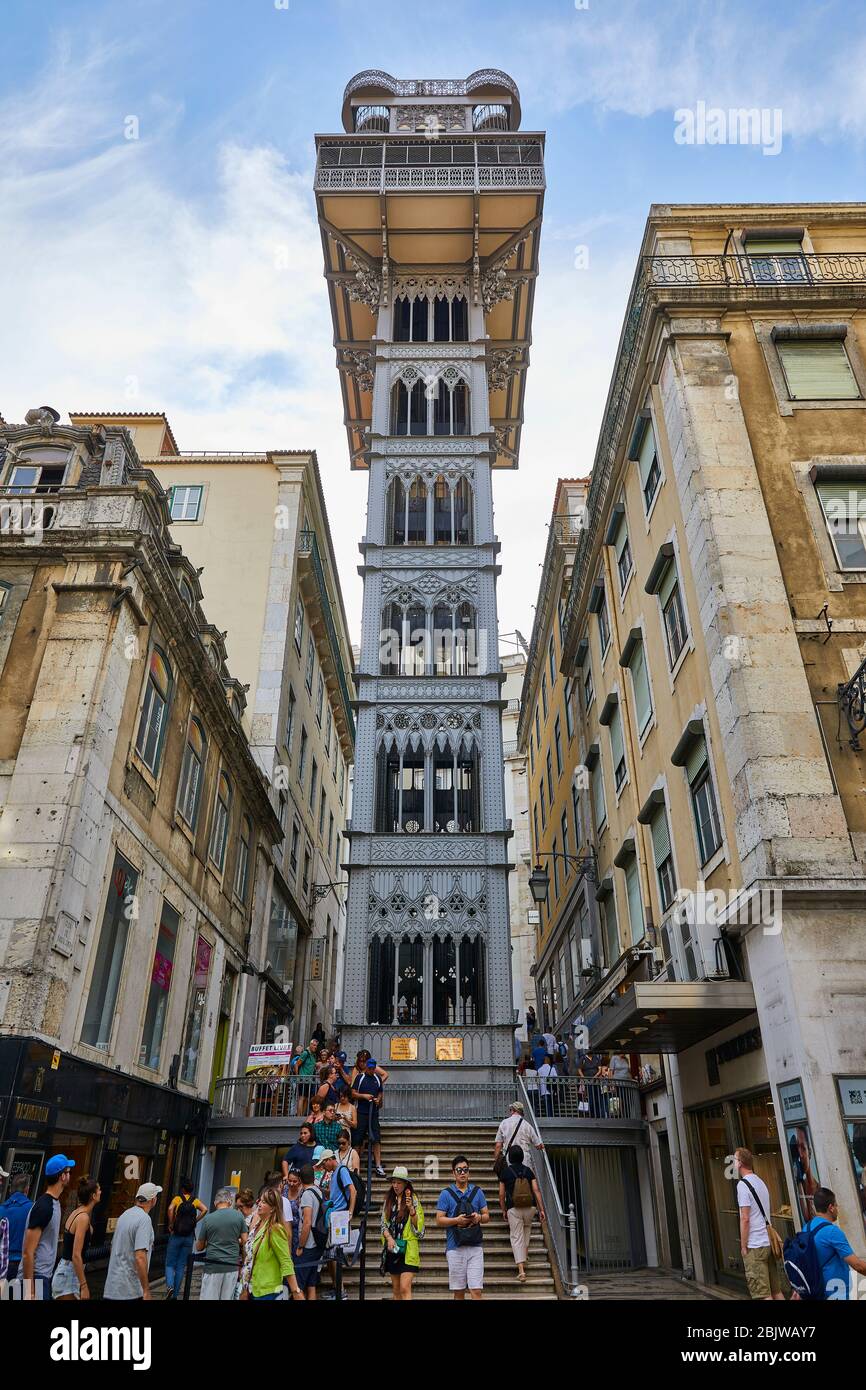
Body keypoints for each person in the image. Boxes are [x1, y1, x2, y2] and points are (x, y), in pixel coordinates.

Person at [796, 1186, 866, 1300]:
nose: (838, 1208)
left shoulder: (806, 1229)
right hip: (837, 1293)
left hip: (817, 1292)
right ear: (831, 1208)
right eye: (836, 1205)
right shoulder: (832, 1231)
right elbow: (858, 1265)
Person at [21, 1153, 74, 1301]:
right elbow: (27, 1252)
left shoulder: (54, 1203)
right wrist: (30, 1291)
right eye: (68, 1172)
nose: (70, 1176)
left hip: (43, 1277)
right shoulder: (44, 1207)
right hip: (36, 1278)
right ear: (62, 1176)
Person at [436, 1156, 489, 1301]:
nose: (462, 1173)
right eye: (459, 1170)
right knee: (459, 1293)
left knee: (476, 1290)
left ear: (469, 1172)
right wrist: (456, 1220)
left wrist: (478, 1217)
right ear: (453, 1173)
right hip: (455, 1248)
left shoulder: (478, 1192)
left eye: (465, 1170)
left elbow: (487, 1216)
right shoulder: (445, 1194)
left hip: (475, 1247)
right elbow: (439, 1219)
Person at [735, 1148, 783, 1301]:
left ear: (740, 1163)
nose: (734, 1162)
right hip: (767, 1242)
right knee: (776, 1291)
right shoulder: (760, 1181)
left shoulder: (742, 1185)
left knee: (762, 1294)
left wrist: (743, 1245)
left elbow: (745, 1218)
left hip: (755, 1245)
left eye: (735, 1159)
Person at [103, 1182, 161, 1301]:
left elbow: (113, 1247)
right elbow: (140, 1257)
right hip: (130, 1289)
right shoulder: (144, 1219)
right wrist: (146, 1290)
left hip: (112, 1286)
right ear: (153, 1200)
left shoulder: (125, 1215)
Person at [499, 1145, 545, 1284]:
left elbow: (501, 1194)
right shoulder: (528, 1171)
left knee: (516, 1237)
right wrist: (541, 1209)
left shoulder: (505, 1172)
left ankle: (521, 1270)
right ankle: (524, 1255)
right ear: (522, 1157)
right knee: (527, 1229)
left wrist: (503, 1210)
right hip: (530, 1207)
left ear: (510, 1157)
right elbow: (536, 1190)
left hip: (514, 1208)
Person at [247, 1188, 303, 1301]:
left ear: (272, 1208)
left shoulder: (275, 1229)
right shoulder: (258, 1225)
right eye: (260, 1201)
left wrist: (296, 1291)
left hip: (269, 1291)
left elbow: (286, 1261)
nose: (259, 1204)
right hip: (255, 1289)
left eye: (264, 1202)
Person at [51, 1176, 100, 1300]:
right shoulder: (83, 1217)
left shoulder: (78, 1212)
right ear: (93, 1196)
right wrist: (84, 1286)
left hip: (68, 1271)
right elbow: (76, 1255)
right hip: (69, 1274)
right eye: (99, 1190)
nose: (101, 1192)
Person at [196, 1186, 247, 1300]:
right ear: (229, 1202)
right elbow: (245, 1241)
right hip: (232, 1266)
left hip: (213, 1266)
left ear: (215, 1203)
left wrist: (211, 1241)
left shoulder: (208, 1219)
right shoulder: (239, 1216)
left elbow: (199, 1247)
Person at [381, 1166, 424, 1301]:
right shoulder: (389, 1200)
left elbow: (419, 1229)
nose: (395, 1185)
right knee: (396, 1290)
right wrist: (389, 1238)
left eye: (399, 1182)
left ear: (406, 1184)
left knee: (405, 1288)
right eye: (393, 1182)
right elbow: (383, 1224)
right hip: (393, 1249)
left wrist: (411, 1210)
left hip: (408, 1250)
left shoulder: (414, 1199)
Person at [165, 1175, 208, 1299]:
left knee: (169, 1264)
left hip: (176, 1235)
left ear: (183, 1189)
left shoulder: (178, 1199)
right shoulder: (195, 1201)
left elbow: (170, 1209)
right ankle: (175, 1296)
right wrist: (195, 1220)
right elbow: (205, 1209)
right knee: (180, 1266)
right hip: (189, 1236)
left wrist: (171, 1223)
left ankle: (169, 1286)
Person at [294, 1163, 324, 1299]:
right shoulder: (318, 1191)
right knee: (311, 1285)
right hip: (318, 1244)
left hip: (308, 1245)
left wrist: (300, 1245)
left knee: (298, 1286)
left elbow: (307, 1222)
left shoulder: (307, 1195)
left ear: (300, 1179)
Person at [352, 1056, 386, 1178]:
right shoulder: (360, 1078)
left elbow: (380, 1092)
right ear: (367, 1067)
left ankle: (378, 1165)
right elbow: (353, 1093)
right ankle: (354, 1166)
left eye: (373, 1069)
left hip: (374, 1113)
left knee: (376, 1139)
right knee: (358, 1140)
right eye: (370, 1068)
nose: (371, 1071)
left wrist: (378, 1100)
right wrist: (364, 1096)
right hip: (361, 1112)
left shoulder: (377, 1078)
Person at [494, 1101, 545, 1175]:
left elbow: (498, 1145)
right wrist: (542, 1146)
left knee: (510, 1182)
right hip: (525, 1159)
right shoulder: (527, 1125)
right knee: (526, 1182)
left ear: (513, 1110)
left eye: (510, 1110)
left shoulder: (504, 1123)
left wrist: (497, 1160)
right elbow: (537, 1145)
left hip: (509, 1158)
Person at [0, 1171, 33, 1281]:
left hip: (2, 1264)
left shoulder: (1, 1209)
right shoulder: (32, 1209)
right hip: (22, 1265)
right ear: (27, 1189)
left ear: (10, 1189)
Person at [293, 1039, 320, 1116]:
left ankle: (302, 1116)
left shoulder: (313, 1055)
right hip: (303, 1079)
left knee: (307, 1098)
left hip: (310, 1080)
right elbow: (296, 1065)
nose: (315, 1047)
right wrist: (297, 1076)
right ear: (310, 1045)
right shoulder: (305, 1053)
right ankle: (298, 1116)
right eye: (314, 1045)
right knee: (302, 1097)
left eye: (316, 1046)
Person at [537, 1053, 559, 1118]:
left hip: (543, 1091)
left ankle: (548, 1118)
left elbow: (538, 1081)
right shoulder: (552, 1069)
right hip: (551, 1090)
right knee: (551, 1106)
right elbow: (556, 1079)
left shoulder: (539, 1069)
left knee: (547, 1107)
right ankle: (551, 1118)